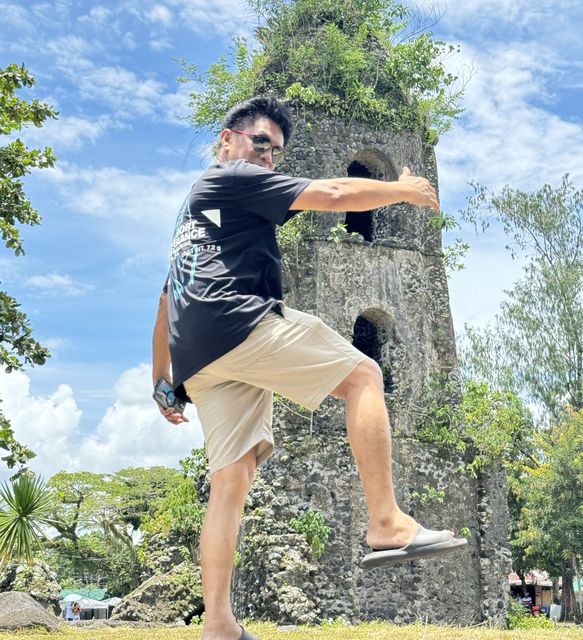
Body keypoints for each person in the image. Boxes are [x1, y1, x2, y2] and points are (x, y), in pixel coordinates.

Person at [152, 96, 467, 640]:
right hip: (239, 322)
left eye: (276, 151)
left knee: (230, 482)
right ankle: (387, 522)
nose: (269, 156)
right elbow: (334, 193)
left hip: (201, 355)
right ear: (228, 140)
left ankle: (219, 625)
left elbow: (166, 300)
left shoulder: (194, 212)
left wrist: (163, 382)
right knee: (364, 374)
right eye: (261, 142)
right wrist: (403, 191)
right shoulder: (231, 177)